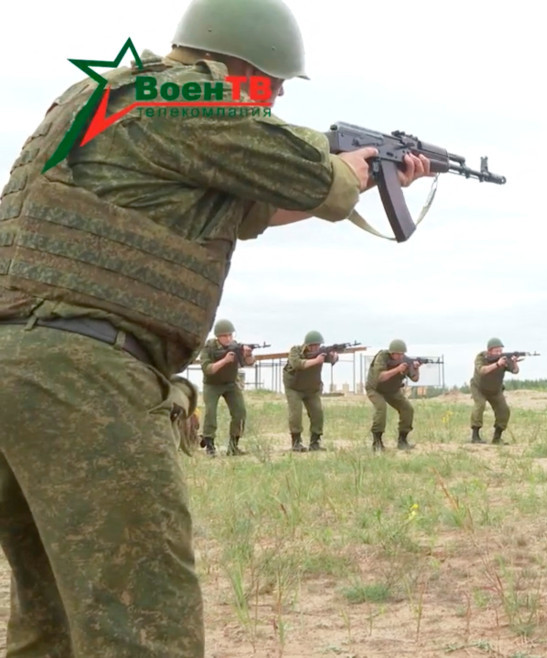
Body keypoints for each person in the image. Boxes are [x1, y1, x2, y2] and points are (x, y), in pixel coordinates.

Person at [0, 0, 433, 651]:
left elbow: (252, 205)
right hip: (83, 376)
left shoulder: (109, 96)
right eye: (273, 85)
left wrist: (363, 176)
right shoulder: (191, 97)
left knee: (54, 618)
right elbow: (312, 171)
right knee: (145, 618)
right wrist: (360, 170)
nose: (276, 98)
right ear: (242, 66)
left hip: (22, 369)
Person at [198, 318, 254, 456]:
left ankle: (234, 446)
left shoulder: (236, 346)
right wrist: (224, 360)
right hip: (212, 384)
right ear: (218, 337)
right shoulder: (209, 348)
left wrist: (248, 354)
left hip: (230, 384)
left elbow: (250, 363)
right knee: (210, 413)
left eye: (230, 335)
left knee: (240, 413)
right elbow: (207, 369)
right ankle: (210, 446)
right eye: (225, 336)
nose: (228, 338)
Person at [283, 330, 343, 452]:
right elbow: (297, 364)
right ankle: (296, 442)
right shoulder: (295, 351)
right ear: (307, 345)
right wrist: (316, 361)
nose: (315, 348)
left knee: (317, 414)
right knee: (295, 414)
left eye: (318, 345)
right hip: (294, 388)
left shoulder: (321, 354)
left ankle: (315, 442)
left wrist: (334, 357)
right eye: (313, 345)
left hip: (311, 389)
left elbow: (331, 359)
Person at [366, 338, 420, 451]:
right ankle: (377, 441)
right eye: (398, 354)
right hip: (375, 389)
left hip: (392, 390)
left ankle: (402, 440)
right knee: (381, 409)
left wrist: (416, 368)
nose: (400, 357)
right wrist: (397, 369)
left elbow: (415, 379)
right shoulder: (382, 357)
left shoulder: (406, 361)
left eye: (402, 354)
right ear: (392, 353)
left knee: (407, 409)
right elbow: (380, 377)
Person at [469, 337, 522, 444]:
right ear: (489, 351)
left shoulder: (504, 359)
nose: (499, 353)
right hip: (479, 388)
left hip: (495, 390)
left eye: (501, 350)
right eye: (496, 351)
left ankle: (497, 438)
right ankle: (475, 436)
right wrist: (497, 364)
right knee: (479, 406)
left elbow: (515, 371)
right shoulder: (481, 357)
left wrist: (514, 362)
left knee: (504, 410)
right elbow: (482, 371)